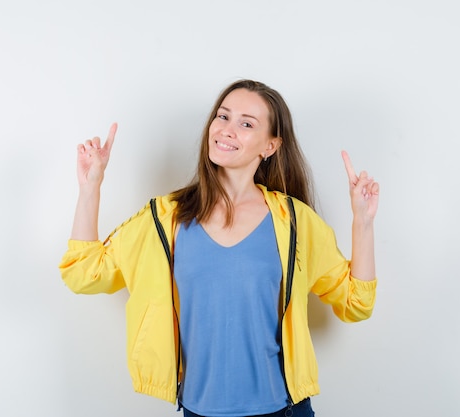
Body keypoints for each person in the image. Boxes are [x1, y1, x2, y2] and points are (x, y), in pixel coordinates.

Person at [59, 79, 379, 417]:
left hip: (285, 410)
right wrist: (90, 187)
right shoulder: (164, 218)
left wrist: (363, 222)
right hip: (200, 410)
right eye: (222, 116)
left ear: (270, 146)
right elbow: (82, 273)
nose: (227, 129)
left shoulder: (296, 222)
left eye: (246, 123)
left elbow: (357, 303)